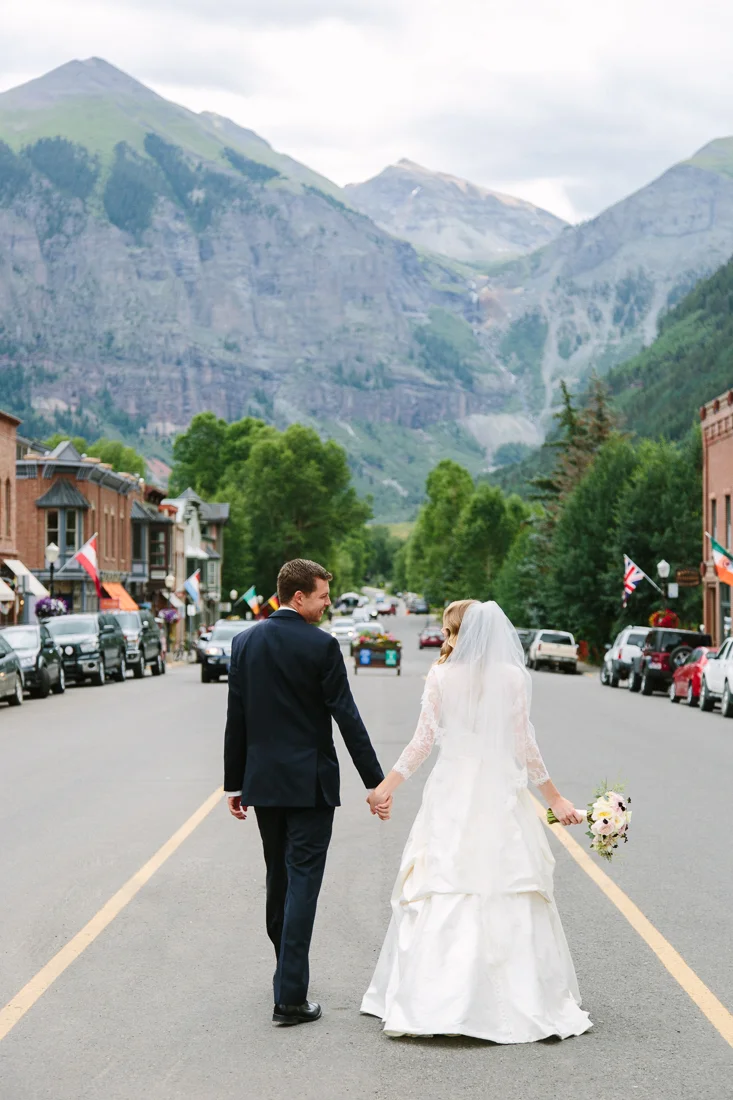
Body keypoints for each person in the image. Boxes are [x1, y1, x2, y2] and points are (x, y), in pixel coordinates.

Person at [361, 599, 592, 1043]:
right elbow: (525, 746)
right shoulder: (511, 677)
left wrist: (385, 787)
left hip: (452, 789)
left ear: (456, 632)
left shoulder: (442, 676)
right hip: (500, 787)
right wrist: (555, 798)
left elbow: (421, 743)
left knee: (445, 881)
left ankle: (432, 997)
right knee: (506, 879)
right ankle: (517, 995)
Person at [224, 559, 389, 1027]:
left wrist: (234, 782)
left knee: (279, 881)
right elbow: (347, 717)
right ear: (298, 597)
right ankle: (291, 996)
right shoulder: (322, 646)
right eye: (322, 596)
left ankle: (285, 974)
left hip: (264, 786)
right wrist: (374, 782)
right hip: (311, 787)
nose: (327, 604)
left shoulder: (243, 643)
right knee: (302, 888)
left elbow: (237, 719)